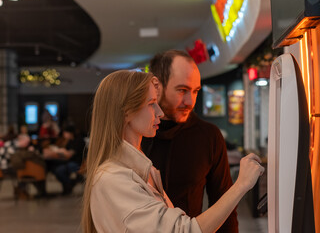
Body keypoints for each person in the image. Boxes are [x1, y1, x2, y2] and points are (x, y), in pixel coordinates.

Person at [81, 70, 264, 233]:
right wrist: (242, 184)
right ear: (126, 112)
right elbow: (186, 230)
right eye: (151, 103)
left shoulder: (142, 168)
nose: (159, 112)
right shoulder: (113, 179)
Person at [141, 49, 238, 232]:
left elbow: (225, 205)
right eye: (182, 90)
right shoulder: (135, 132)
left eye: (195, 91)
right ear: (157, 86)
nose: (190, 101)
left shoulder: (209, 135)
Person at [43, 125, 86, 195]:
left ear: (70, 133)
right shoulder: (69, 141)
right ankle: (68, 185)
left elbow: (69, 154)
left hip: (78, 162)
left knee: (59, 170)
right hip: (68, 161)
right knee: (54, 168)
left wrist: (60, 151)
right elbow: (66, 152)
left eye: (65, 133)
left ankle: (69, 184)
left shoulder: (79, 141)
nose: (64, 135)